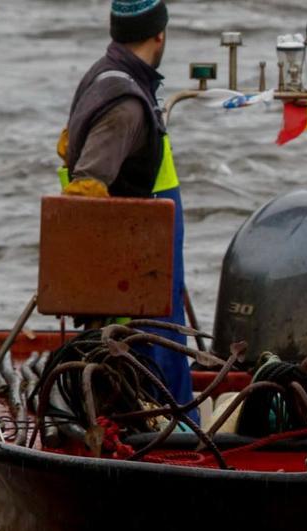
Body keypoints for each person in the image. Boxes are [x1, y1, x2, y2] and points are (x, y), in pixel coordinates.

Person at [54, 0, 195, 421]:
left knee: (165, 353)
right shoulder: (126, 104)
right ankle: (170, 442)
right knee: (154, 373)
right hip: (134, 288)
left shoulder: (108, 78)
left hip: (154, 268)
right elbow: (85, 189)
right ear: (160, 35)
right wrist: (90, 292)